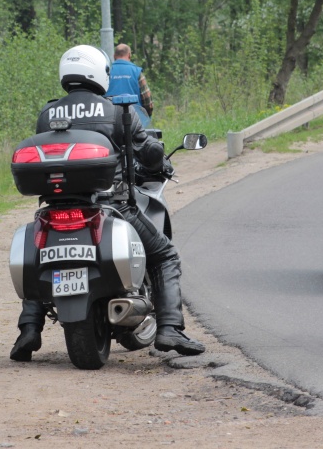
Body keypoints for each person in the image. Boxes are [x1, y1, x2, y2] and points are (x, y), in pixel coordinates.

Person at [10, 44, 205, 361]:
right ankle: (169, 328)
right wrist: (159, 159)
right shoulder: (115, 111)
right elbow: (149, 152)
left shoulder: (47, 115)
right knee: (165, 254)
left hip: (55, 209)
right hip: (112, 206)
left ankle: (29, 328)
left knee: (40, 255)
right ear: (100, 73)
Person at [106, 43, 153, 121]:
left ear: (114, 56)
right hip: (134, 120)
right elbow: (148, 101)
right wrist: (146, 116)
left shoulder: (106, 72)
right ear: (129, 55)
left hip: (110, 120)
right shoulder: (137, 72)